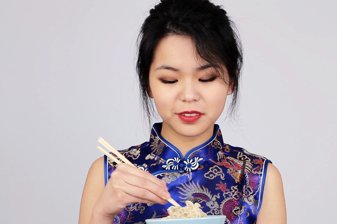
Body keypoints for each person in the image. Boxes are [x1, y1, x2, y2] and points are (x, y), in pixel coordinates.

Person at [79, 0, 286, 223]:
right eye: (170, 80)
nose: (189, 95)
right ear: (147, 83)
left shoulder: (256, 176)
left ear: (231, 81)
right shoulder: (110, 173)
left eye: (207, 78)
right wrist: (102, 213)